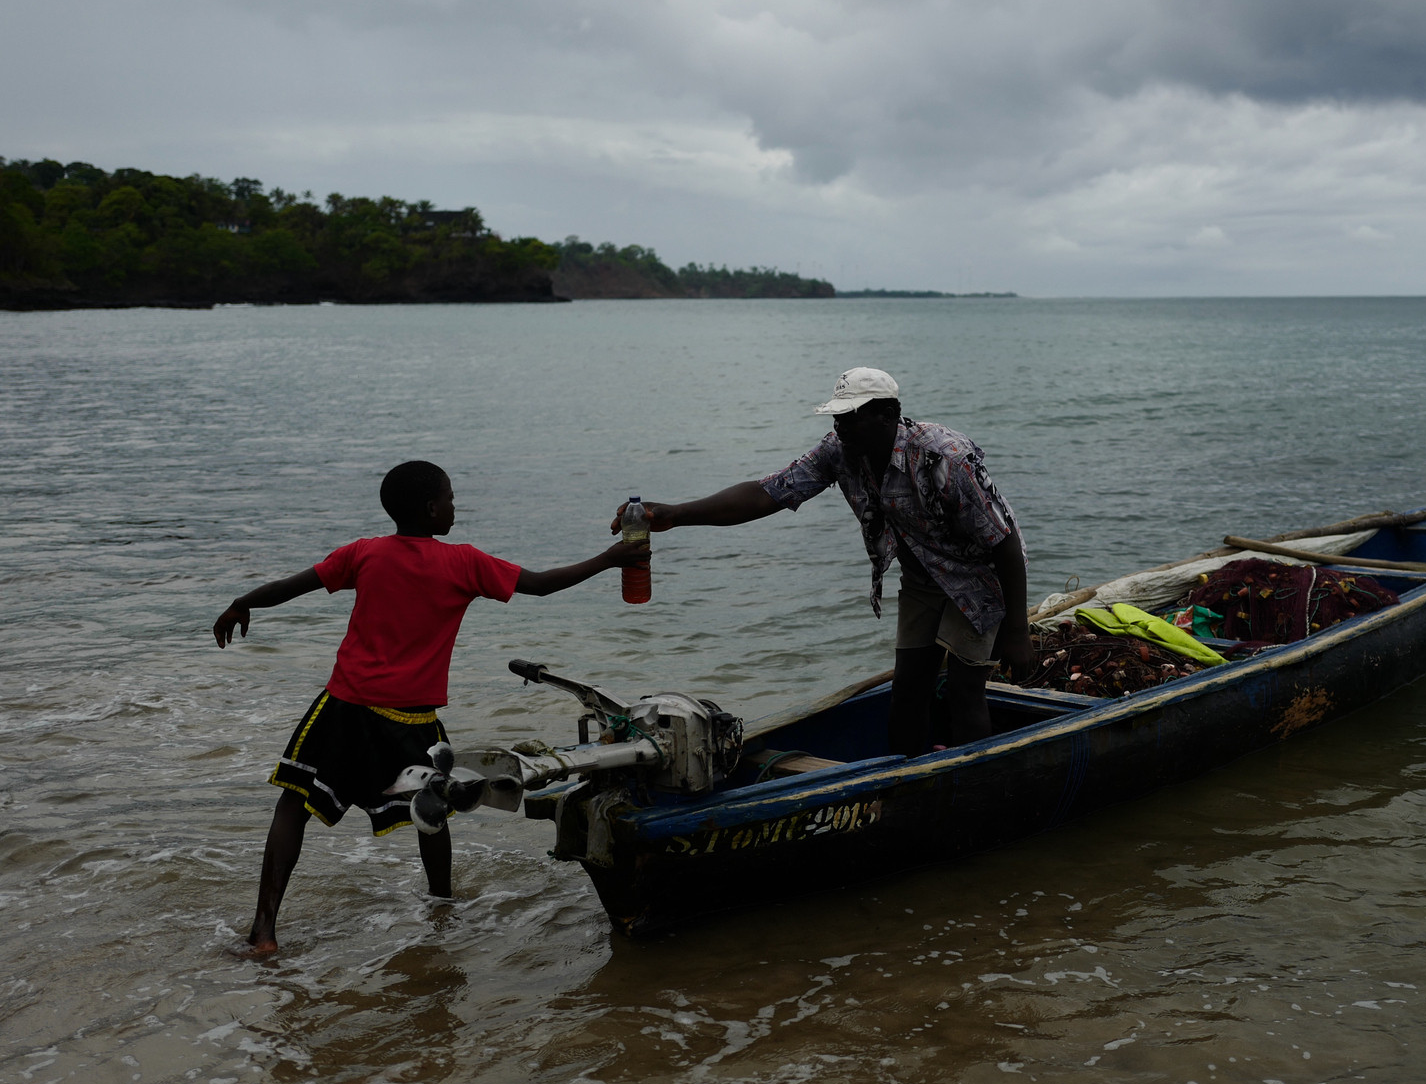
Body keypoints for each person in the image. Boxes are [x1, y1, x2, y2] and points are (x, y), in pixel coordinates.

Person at [212, 460, 648, 956]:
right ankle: (442, 906)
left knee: (294, 804)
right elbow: (542, 584)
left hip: (345, 705)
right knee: (432, 810)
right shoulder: (462, 562)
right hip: (411, 716)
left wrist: (241, 601)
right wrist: (612, 559)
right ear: (431, 508)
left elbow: (293, 586)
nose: (455, 505)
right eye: (450, 497)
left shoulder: (364, 553)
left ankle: (264, 933)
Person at [615, 368, 1028, 756]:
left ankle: (972, 785)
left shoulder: (944, 457)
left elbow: (1004, 543)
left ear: (888, 415)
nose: (840, 428)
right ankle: (907, 780)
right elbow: (770, 492)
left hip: (979, 578)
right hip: (921, 577)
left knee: (964, 690)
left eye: (851, 418)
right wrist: (676, 514)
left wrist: (1017, 632)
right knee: (907, 687)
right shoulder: (842, 450)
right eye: (837, 417)